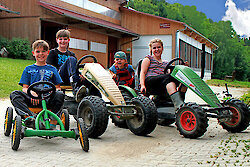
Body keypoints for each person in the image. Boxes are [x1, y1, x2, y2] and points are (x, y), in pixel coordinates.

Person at [10, 40, 65, 128]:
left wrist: (51, 93)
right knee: (15, 94)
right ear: (33, 53)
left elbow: (58, 87)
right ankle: (30, 118)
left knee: (60, 94)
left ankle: (53, 122)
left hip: (48, 98)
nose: (41, 54)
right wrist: (31, 93)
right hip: (32, 98)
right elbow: (24, 88)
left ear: (48, 53)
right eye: (38, 51)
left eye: (43, 51)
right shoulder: (28, 69)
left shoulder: (52, 69)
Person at [46, 29, 100, 102]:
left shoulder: (71, 54)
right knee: (71, 60)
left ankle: (97, 101)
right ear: (57, 40)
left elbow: (75, 68)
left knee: (90, 80)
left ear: (68, 40)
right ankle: (76, 89)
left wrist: (81, 75)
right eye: (60, 39)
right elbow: (50, 68)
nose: (63, 41)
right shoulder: (53, 53)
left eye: (65, 39)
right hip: (59, 77)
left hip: (71, 78)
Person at [140, 38, 187, 110]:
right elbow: (143, 72)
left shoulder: (166, 63)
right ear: (151, 50)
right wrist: (142, 85)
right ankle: (179, 105)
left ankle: (180, 102)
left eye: (159, 47)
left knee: (182, 78)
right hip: (150, 82)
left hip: (162, 82)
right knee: (168, 77)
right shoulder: (148, 59)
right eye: (154, 48)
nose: (157, 49)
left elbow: (169, 76)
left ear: (162, 48)